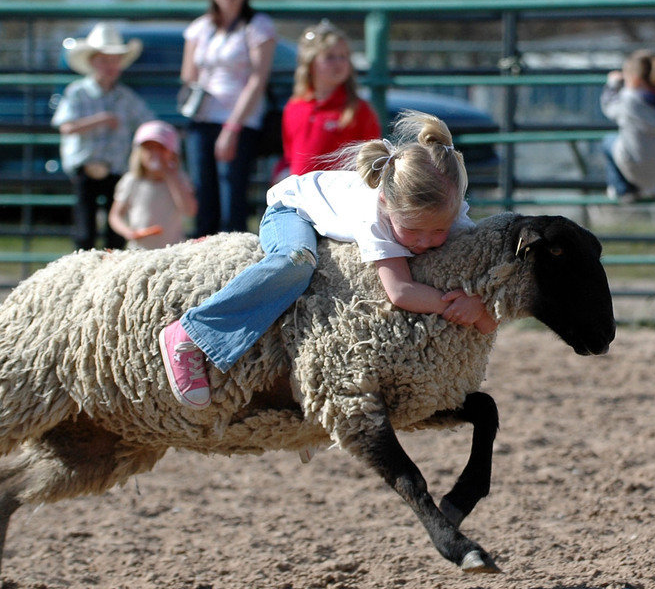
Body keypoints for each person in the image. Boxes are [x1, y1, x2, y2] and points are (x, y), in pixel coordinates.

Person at [158, 111, 496, 409]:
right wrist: (450, 305)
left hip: (335, 212)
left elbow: (477, 273)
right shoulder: (374, 215)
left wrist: (480, 306)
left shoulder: (445, 208)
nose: (426, 241)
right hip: (293, 209)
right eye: (412, 230)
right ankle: (192, 332)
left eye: (438, 230)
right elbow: (401, 291)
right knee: (297, 263)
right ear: (386, 204)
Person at [179, 0, 277, 236]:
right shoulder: (200, 28)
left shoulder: (258, 26)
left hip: (240, 121)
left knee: (232, 199)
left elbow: (258, 79)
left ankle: (235, 268)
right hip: (201, 119)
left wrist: (232, 127)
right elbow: (188, 75)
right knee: (204, 197)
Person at [52, 22, 155, 250]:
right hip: (85, 168)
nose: (110, 66)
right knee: (84, 229)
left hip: (116, 169)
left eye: (114, 60)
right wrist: (101, 120)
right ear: (92, 62)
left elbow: (148, 123)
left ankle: (110, 275)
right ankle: (84, 275)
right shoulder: (77, 93)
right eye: (104, 60)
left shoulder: (126, 97)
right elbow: (66, 127)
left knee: (115, 232)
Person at [279, 19, 381, 178]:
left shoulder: (359, 110)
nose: (339, 63)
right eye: (330, 57)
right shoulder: (294, 107)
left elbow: (373, 160)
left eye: (344, 56)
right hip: (301, 197)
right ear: (311, 63)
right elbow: (290, 156)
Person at [600, 49, 655, 203]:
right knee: (638, 146)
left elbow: (608, 106)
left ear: (635, 80)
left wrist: (613, 84)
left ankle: (622, 189)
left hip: (633, 163)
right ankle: (647, 188)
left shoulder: (629, 100)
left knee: (608, 140)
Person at [108, 120, 197, 250]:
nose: (155, 153)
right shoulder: (131, 181)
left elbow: (189, 211)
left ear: (172, 153)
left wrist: (171, 177)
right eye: (149, 148)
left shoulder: (180, 179)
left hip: (173, 251)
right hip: (139, 251)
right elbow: (115, 215)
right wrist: (127, 231)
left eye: (161, 148)